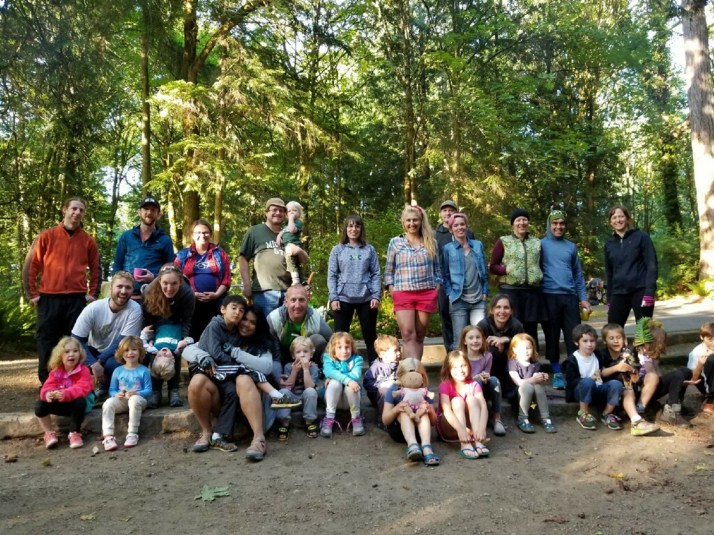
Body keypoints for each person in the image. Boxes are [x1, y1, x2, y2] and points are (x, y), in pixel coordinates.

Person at [183, 300, 274, 461]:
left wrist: (236, 353)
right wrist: (203, 356)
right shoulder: (224, 334)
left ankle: (258, 438)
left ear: (258, 326)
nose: (246, 324)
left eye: (252, 322)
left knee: (244, 379)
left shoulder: (260, 344)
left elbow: (266, 367)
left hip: (249, 401)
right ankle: (207, 433)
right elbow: (189, 350)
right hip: (221, 398)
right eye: (244, 319)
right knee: (197, 381)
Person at [24, 196, 100, 383]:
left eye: (81, 210)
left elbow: (96, 268)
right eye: (74, 208)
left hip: (76, 299)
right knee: (46, 340)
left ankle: (73, 382)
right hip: (49, 298)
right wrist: (32, 293)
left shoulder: (88, 240)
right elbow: (32, 265)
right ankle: (47, 383)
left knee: (74, 341)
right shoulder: (47, 236)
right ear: (64, 210)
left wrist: (92, 293)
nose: (77, 213)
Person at [540, 210, 591, 390]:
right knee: (552, 336)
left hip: (570, 297)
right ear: (549, 225)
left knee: (574, 336)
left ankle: (572, 372)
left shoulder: (571, 247)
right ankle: (557, 374)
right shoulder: (540, 245)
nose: (558, 227)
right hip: (548, 296)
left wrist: (583, 298)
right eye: (555, 223)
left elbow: (578, 274)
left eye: (561, 223)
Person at [71, 272, 143, 396]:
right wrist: (93, 363)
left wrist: (100, 362)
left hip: (118, 351)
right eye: (119, 286)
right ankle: (80, 393)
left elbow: (122, 342)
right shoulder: (93, 308)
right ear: (111, 288)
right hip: (94, 350)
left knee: (114, 363)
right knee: (73, 356)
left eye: (128, 287)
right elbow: (76, 339)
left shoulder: (135, 309)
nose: (123, 291)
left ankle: (107, 389)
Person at [384, 205, 441, 359]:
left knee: (420, 335)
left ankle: (416, 369)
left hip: (427, 292)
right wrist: (392, 290)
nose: (412, 223)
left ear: (421, 221)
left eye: (415, 220)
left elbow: (437, 269)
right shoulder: (395, 242)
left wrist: (437, 288)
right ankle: (411, 371)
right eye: (408, 220)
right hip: (403, 292)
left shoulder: (431, 242)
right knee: (408, 334)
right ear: (403, 222)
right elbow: (389, 271)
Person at [327, 214, 382, 364]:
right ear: (345, 229)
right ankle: (339, 370)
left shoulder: (369, 250)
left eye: (357, 226)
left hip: (367, 298)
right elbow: (332, 275)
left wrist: (376, 296)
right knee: (340, 338)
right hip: (342, 299)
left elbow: (376, 273)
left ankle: (375, 370)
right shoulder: (337, 250)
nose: (354, 229)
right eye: (350, 226)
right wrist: (334, 297)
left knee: (370, 336)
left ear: (361, 229)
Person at [142, 263, 196, 408]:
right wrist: (149, 337)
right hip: (157, 326)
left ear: (180, 282)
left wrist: (184, 339)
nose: (169, 288)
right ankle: (156, 391)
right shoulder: (149, 291)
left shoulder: (187, 294)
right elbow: (148, 318)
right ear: (159, 281)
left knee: (173, 355)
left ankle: (174, 390)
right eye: (165, 283)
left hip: (177, 325)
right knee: (156, 355)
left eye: (174, 284)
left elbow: (187, 319)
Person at [489, 207, 546, 344]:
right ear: (513, 223)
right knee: (513, 326)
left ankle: (531, 354)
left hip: (532, 292)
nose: (522, 223)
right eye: (518, 220)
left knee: (531, 329)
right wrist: (506, 270)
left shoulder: (536, 242)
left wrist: (540, 275)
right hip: (511, 291)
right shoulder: (504, 241)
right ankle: (511, 354)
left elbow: (542, 264)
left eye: (524, 220)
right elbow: (493, 266)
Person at [597, 324, 660, 436]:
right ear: (605, 341)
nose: (616, 341)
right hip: (614, 389)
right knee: (628, 390)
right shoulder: (602, 354)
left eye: (619, 337)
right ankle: (636, 422)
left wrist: (632, 370)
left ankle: (640, 408)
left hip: (631, 384)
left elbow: (636, 372)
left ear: (624, 339)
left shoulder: (629, 351)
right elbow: (601, 373)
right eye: (611, 338)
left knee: (652, 376)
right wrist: (617, 367)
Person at [175, 219, 232, 341]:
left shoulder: (220, 254)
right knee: (193, 335)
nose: (202, 235)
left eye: (206, 232)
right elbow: (175, 277)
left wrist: (216, 295)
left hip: (216, 301)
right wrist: (191, 294)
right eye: (198, 232)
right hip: (190, 301)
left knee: (215, 334)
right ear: (192, 235)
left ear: (210, 234)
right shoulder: (182, 255)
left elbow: (226, 279)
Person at [34, 336, 93, 449]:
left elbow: (83, 387)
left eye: (75, 351)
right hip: (61, 403)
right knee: (39, 405)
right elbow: (47, 387)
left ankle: (74, 433)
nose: (71, 354)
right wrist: (48, 394)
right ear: (60, 355)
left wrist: (66, 393)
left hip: (77, 406)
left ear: (80, 354)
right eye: (67, 352)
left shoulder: (83, 370)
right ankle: (49, 433)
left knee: (80, 402)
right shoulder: (55, 371)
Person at [604, 204, 658, 327]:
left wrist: (649, 292)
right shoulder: (609, 245)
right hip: (618, 293)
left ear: (627, 218)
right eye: (614, 218)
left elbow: (652, 265)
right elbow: (609, 272)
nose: (618, 220)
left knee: (644, 331)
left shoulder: (641, 237)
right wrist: (609, 298)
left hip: (640, 290)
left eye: (621, 216)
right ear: (610, 222)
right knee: (612, 330)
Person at [441, 212, 489, 350]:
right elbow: (444, 274)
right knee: (459, 341)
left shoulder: (478, 245)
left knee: (479, 338)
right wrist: (450, 293)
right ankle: (458, 364)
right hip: (458, 300)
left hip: (478, 299)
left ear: (467, 226)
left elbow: (484, 271)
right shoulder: (448, 249)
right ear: (451, 229)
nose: (460, 227)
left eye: (462, 224)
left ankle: (481, 364)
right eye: (456, 225)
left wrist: (485, 292)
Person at [239, 197, 292, 319]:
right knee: (264, 328)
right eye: (274, 210)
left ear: (285, 214)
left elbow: (297, 262)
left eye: (281, 210)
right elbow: (243, 258)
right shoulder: (255, 231)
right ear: (266, 213)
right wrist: (247, 285)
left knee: (285, 329)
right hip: (263, 292)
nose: (278, 213)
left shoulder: (289, 234)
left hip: (288, 292)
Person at [112, 196, 175, 298]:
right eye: (146, 209)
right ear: (139, 212)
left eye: (153, 210)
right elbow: (117, 264)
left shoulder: (165, 240)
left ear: (158, 214)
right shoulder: (126, 236)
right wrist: (116, 287)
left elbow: (170, 270)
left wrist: (153, 277)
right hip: (126, 295)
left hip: (154, 294)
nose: (149, 212)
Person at [565, 324, 624, 431]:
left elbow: (605, 371)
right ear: (576, 342)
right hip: (581, 392)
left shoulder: (598, 355)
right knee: (587, 382)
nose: (589, 344)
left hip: (598, 389)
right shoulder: (572, 360)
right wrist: (591, 379)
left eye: (592, 341)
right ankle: (583, 413)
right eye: (585, 341)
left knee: (616, 384)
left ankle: (607, 413)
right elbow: (571, 382)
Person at [381, 358, 440, 466]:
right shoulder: (395, 390)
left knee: (423, 412)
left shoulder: (423, 390)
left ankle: (427, 448)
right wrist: (396, 409)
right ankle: (412, 445)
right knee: (404, 411)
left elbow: (433, 422)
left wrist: (430, 410)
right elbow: (385, 420)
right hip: (399, 431)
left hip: (422, 433)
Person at [435, 200, 474, 352]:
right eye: (445, 210)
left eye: (451, 210)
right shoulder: (435, 234)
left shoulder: (467, 232)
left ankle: (467, 351)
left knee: (465, 317)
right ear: (441, 214)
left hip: (465, 283)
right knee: (446, 316)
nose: (448, 213)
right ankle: (450, 353)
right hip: (443, 283)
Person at [101, 336, 153, 451]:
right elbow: (112, 390)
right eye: (126, 350)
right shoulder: (117, 371)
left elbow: (149, 390)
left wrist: (137, 393)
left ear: (140, 351)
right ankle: (108, 436)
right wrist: (116, 394)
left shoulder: (144, 370)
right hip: (122, 400)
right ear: (121, 353)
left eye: (134, 349)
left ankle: (132, 433)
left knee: (134, 400)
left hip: (139, 401)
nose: (130, 353)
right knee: (108, 403)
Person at [437, 350, 490, 459]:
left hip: (470, 429)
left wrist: (482, 428)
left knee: (472, 399)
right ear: (448, 369)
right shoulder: (445, 385)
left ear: (469, 366)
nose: (460, 370)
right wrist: (461, 429)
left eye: (463, 365)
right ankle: (464, 444)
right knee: (457, 400)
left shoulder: (474, 384)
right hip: (450, 427)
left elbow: (483, 406)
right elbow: (446, 410)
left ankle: (478, 441)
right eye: (455, 367)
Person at [267, 284, 332, 368]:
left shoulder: (315, 319)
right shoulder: (273, 319)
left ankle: (316, 370)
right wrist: (278, 373)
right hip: (281, 356)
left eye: (301, 300)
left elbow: (333, 342)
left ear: (307, 301)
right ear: (286, 302)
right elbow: (264, 346)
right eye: (293, 300)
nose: (297, 305)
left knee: (318, 340)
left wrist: (330, 365)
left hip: (307, 357)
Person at [458, 325, 505, 436]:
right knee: (477, 382)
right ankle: (477, 419)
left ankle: (497, 419)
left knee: (494, 380)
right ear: (464, 341)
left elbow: (487, 373)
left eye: (478, 337)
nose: (475, 341)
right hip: (466, 392)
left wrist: (486, 376)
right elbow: (458, 380)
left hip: (482, 390)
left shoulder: (487, 356)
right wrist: (475, 378)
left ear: (483, 339)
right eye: (471, 338)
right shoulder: (460, 357)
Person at [476, 293, 524, 398]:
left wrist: (507, 340)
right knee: (493, 352)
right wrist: (489, 346)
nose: (502, 311)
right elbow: (474, 347)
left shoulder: (516, 325)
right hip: (488, 369)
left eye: (506, 308)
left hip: (510, 367)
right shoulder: (483, 325)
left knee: (511, 354)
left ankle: (511, 390)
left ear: (511, 311)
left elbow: (525, 346)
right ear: (492, 310)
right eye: (498, 307)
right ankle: (488, 388)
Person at [274, 336, 320, 441]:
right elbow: (288, 387)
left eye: (305, 351)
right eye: (298, 352)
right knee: (283, 391)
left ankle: (309, 422)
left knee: (311, 391)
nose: (302, 354)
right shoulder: (288, 366)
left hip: (306, 400)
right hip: (292, 398)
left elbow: (309, 387)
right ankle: (284, 422)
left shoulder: (313, 368)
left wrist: (306, 370)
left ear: (311, 354)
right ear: (293, 355)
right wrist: (294, 371)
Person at [508, 333, 556, 433]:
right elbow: (519, 382)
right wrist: (533, 379)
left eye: (528, 348)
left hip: (532, 400)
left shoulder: (535, 364)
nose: (526, 351)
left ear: (533, 348)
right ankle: (522, 418)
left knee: (538, 386)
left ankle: (546, 418)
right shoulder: (513, 363)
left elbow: (535, 381)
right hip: (517, 395)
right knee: (527, 387)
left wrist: (541, 377)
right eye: (522, 349)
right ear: (515, 350)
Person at [321, 332, 366, 437]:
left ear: (352, 347)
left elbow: (355, 374)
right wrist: (340, 378)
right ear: (333, 348)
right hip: (332, 400)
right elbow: (329, 371)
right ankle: (329, 418)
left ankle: (356, 418)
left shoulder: (357, 360)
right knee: (334, 383)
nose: (344, 351)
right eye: (339, 347)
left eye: (347, 347)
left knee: (352, 386)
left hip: (349, 401)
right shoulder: (328, 358)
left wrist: (337, 377)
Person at [364, 334, 401, 426]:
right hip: (378, 396)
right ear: (382, 354)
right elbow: (367, 383)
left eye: (399, 350)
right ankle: (382, 420)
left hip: (396, 394)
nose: (399, 353)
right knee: (384, 391)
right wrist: (380, 385)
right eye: (395, 351)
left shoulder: (401, 366)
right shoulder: (375, 367)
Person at [276, 201, 310, 286]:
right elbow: (284, 231)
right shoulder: (285, 224)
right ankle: (303, 280)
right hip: (287, 245)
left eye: (294, 210)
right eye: (289, 211)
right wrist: (279, 236)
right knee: (296, 264)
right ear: (286, 214)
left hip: (293, 245)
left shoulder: (297, 222)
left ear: (299, 213)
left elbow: (292, 230)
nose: (291, 212)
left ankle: (295, 280)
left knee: (290, 259)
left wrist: (291, 219)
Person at [687, 322, 714, 414]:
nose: (713, 342)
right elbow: (693, 379)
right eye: (710, 339)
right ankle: (711, 398)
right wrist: (700, 364)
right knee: (711, 360)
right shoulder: (696, 353)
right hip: (706, 384)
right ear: (702, 337)